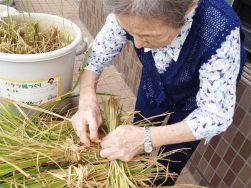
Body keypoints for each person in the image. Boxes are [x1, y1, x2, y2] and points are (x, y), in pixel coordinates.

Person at [72, 0, 246, 185]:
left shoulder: (220, 30)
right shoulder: (128, 8)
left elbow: (215, 114)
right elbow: (96, 57)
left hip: (195, 103)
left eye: (147, 36)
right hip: (154, 86)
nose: (137, 44)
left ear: (188, 9)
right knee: (139, 127)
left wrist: (147, 138)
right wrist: (86, 99)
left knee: (172, 159)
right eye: (131, 32)